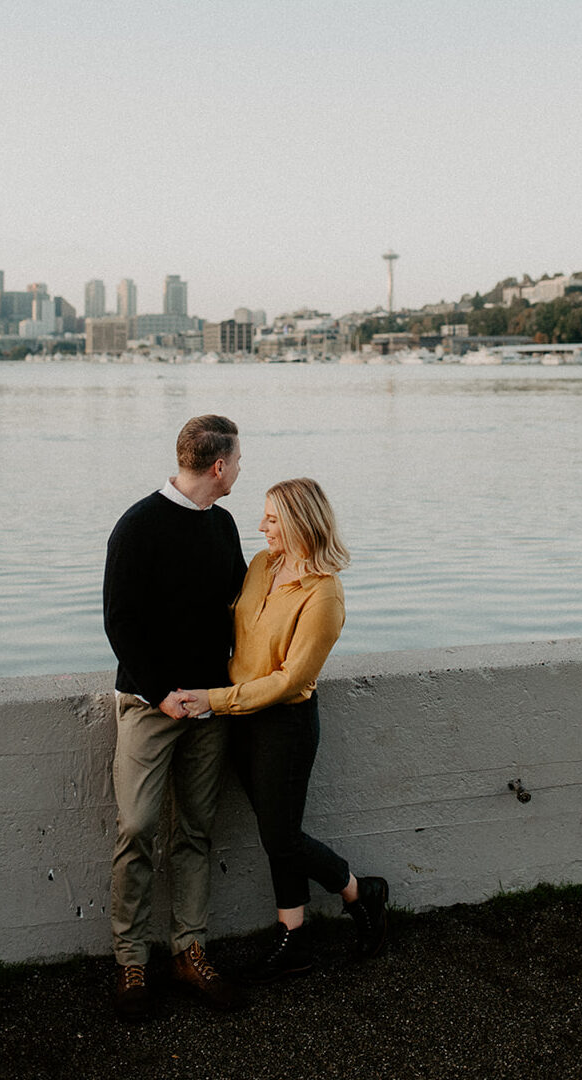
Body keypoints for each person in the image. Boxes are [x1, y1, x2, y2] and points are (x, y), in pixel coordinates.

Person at [181, 477, 389, 984]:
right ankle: (294, 938)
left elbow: (289, 680)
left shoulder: (324, 596)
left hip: (283, 724)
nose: (261, 526)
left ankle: (362, 894)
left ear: (298, 522)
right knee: (279, 834)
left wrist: (215, 700)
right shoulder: (260, 565)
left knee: (281, 836)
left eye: (272, 519)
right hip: (241, 719)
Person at [103, 415, 246, 1021]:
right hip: (149, 706)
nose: (240, 470)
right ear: (218, 466)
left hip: (210, 705)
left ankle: (189, 950)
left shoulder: (224, 524)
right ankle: (132, 958)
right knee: (136, 828)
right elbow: (120, 622)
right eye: (237, 460)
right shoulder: (137, 527)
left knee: (194, 828)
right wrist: (162, 693)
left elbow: (240, 602)